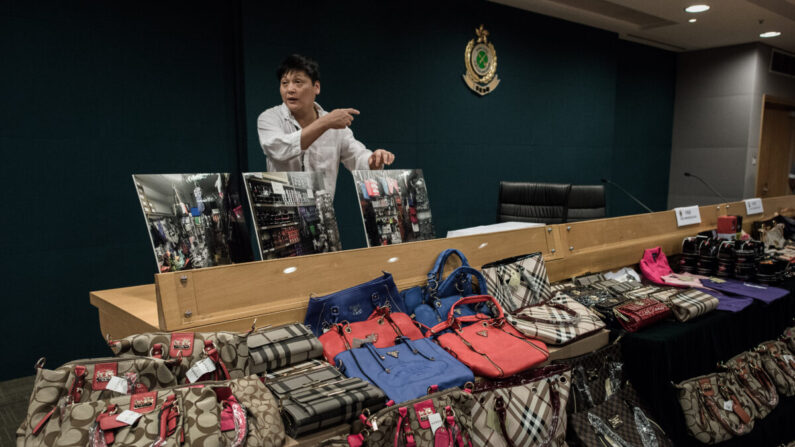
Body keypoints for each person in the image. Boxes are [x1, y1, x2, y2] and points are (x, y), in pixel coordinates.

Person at [257, 54, 395, 197]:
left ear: (316, 87)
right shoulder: (269, 117)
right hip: (283, 214)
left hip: (322, 214)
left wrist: (373, 160)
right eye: (284, 83)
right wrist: (325, 123)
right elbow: (278, 149)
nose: (290, 89)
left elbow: (357, 156)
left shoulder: (334, 125)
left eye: (298, 82)